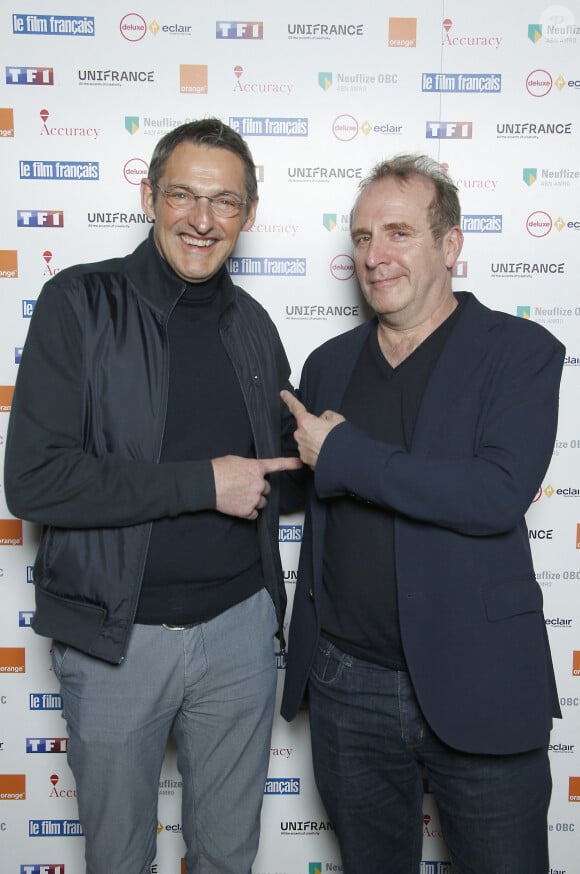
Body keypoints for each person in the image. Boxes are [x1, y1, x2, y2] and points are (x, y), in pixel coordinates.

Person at [4, 118, 301, 874]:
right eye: (183, 196)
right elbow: (35, 479)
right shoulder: (78, 302)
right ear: (149, 196)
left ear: (250, 213)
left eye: (225, 201)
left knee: (228, 856)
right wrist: (205, 483)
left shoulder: (255, 326)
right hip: (117, 639)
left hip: (240, 632)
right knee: (118, 857)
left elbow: (271, 474)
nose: (202, 220)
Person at [280, 154, 564, 874]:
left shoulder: (519, 352)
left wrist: (343, 453)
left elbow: (495, 492)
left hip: (481, 678)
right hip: (348, 685)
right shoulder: (327, 364)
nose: (374, 256)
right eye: (363, 236)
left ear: (450, 244)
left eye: (398, 233)